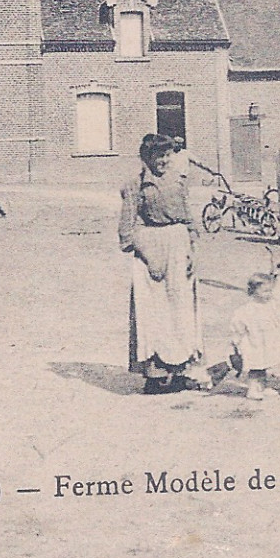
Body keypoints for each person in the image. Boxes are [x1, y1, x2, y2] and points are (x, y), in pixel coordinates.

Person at [119, 133, 210, 393]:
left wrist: (191, 247)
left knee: (182, 310)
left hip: (179, 246)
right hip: (151, 248)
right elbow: (127, 229)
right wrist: (148, 255)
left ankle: (181, 372)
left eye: (168, 154)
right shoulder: (134, 185)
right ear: (147, 157)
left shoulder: (179, 181)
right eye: (159, 155)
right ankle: (156, 376)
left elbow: (188, 217)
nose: (164, 160)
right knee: (154, 312)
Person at [228, 273, 280, 401]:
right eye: (265, 291)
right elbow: (237, 325)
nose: (268, 294)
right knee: (256, 368)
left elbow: (279, 313)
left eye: (270, 291)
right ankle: (253, 389)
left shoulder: (269, 307)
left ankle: (261, 387)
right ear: (253, 291)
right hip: (253, 344)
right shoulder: (247, 310)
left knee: (264, 365)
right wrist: (236, 340)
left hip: (266, 343)